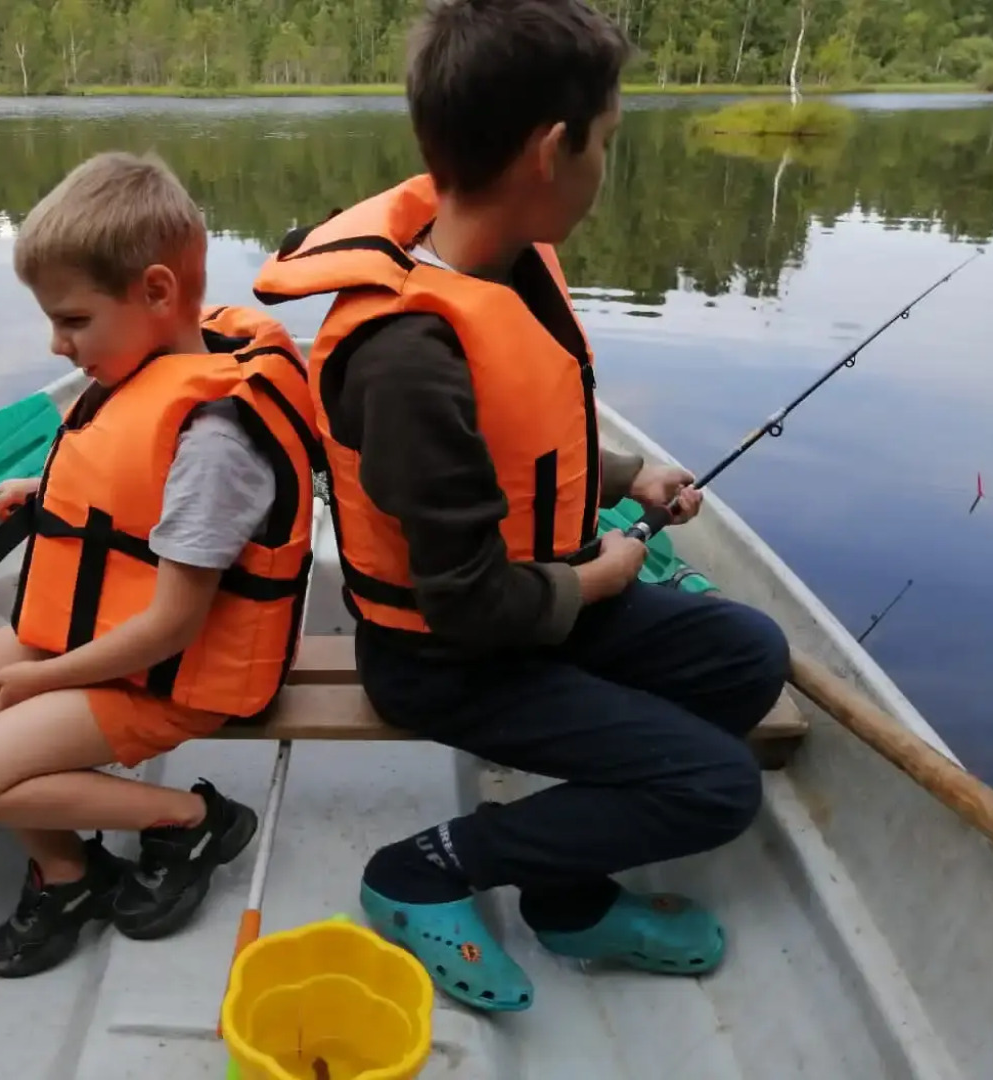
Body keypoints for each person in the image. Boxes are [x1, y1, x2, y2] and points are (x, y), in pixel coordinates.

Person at [251, 0, 791, 1013]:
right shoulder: (407, 357)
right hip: (443, 659)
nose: (606, 165)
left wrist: (628, 478)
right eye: (606, 141)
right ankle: (422, 870)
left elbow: (522, 444)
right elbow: (461, 601)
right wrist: (601, 580)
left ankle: (567, 888)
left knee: (750, 656)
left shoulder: (501, 260)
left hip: (531, 611)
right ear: (552, 151)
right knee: (718, 786)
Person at [0, 150, 320, 980]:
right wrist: (43, 492)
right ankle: (69, 873)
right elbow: (128, 503)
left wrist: (42, 679)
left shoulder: (214, 442)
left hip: (173, 677)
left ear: (158, 292)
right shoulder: (151, 364)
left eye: (73, 320)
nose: (57, 345)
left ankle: (192, 821)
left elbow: (172, 626)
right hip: (106, 635)